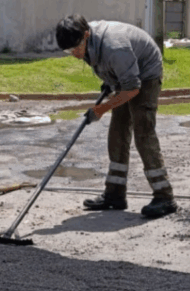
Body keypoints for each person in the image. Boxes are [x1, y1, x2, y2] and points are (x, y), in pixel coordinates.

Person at [55, 14, 177, 218]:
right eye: (69, 51)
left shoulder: (114, 47)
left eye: (76, 48)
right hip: (125, 76)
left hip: (146, 75)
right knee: (118, 133)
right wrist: (110, 81)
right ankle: (115, 194)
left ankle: (164, 196)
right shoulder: (85, 40)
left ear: (86, 35)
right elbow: (105, 65)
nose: (75, 54)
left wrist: (101, 109)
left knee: (143, 132)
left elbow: (132, 89)